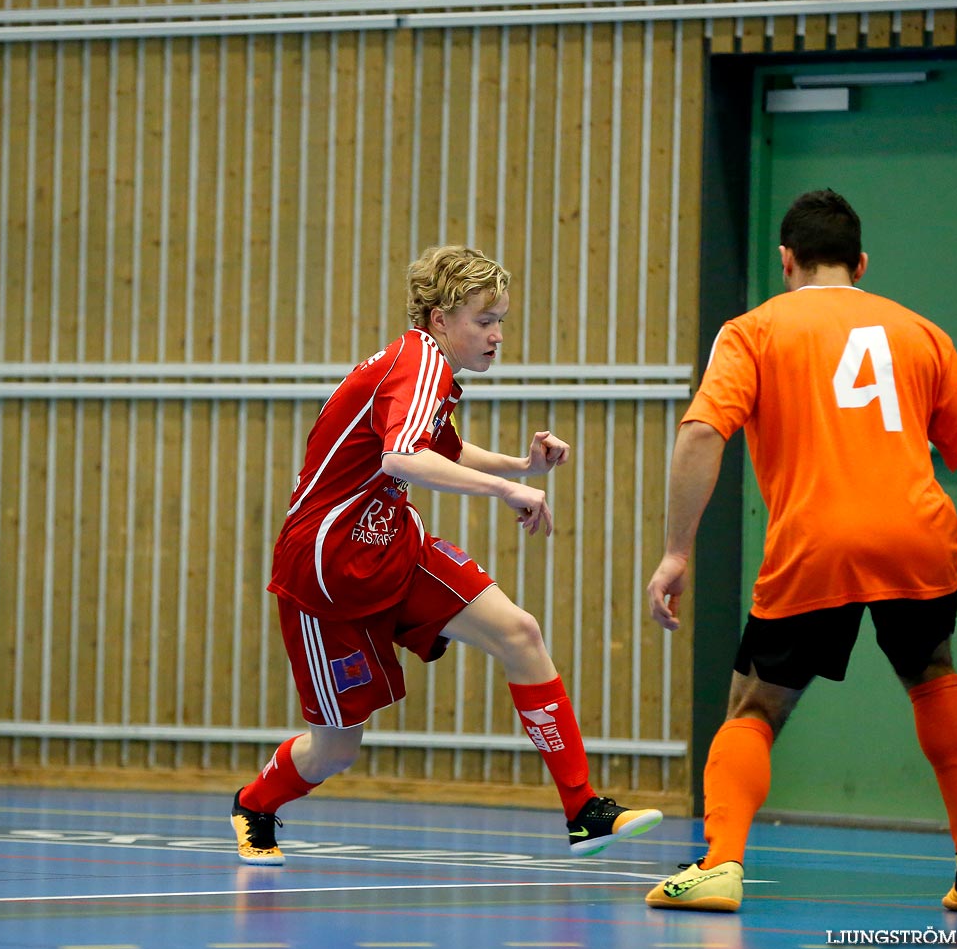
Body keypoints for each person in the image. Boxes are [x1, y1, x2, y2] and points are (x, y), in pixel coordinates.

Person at [644, 189, 957, 914]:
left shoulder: (752, 332)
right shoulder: (921, 333)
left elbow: (699, 435)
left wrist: (676, 553)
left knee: (754, 705)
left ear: (787, 259)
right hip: (916, 537)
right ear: (861, 262)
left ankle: (721, 865)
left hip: (815, 540)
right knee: (933, 672)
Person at [229, 245, 662, 865]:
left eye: (502, 320)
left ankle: (584, 811)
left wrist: (520, 465)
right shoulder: (417, 364)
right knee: (336, 751)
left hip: (392, 544)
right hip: (327, 570)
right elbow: (401, 458)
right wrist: (507, 488)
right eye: (483, 320)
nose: (497, 336)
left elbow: (443, 450)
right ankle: (256, 803)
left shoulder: (428, 370)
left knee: (519, 632)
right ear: (438, 320)